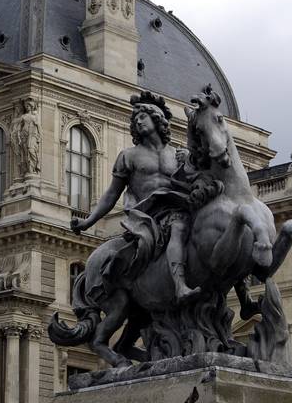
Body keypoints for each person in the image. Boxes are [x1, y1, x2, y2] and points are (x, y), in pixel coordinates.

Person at [71, 92, 200, 304]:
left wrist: (189, 163)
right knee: (177, 228)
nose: (137, 121)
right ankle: (180, 286)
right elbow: (111, 194)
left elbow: (192, 185)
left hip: (176, 208)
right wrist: (88, 221)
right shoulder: (128, 156)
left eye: (142, 116)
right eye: (135, 118)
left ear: (157, 119)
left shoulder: (177, 154)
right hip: (146, 216)